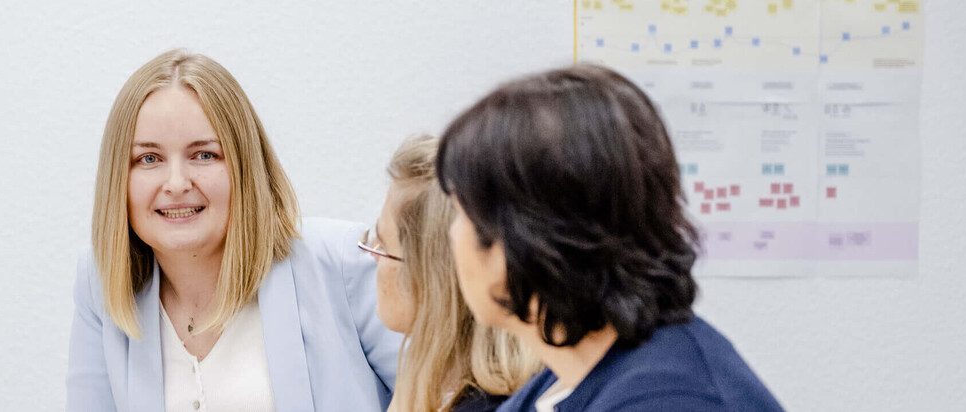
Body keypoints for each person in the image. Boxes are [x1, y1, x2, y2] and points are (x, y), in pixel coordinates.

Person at [67, 49, 402, 412]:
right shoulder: (100, 281)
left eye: (204, 155)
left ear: (245, 165)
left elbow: (445, 396)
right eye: (149, 159)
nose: (176, 183)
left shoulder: (343, 261)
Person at [435, 65, 783, 412]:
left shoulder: (674, 400)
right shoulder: (563, 382)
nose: (452, 236)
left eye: (461, 214)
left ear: (521, 242)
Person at [364, 134, 539, 412]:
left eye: (383, 246)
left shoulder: (491, 406)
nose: (371, 254)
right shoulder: (435, 381)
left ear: (430, 276)